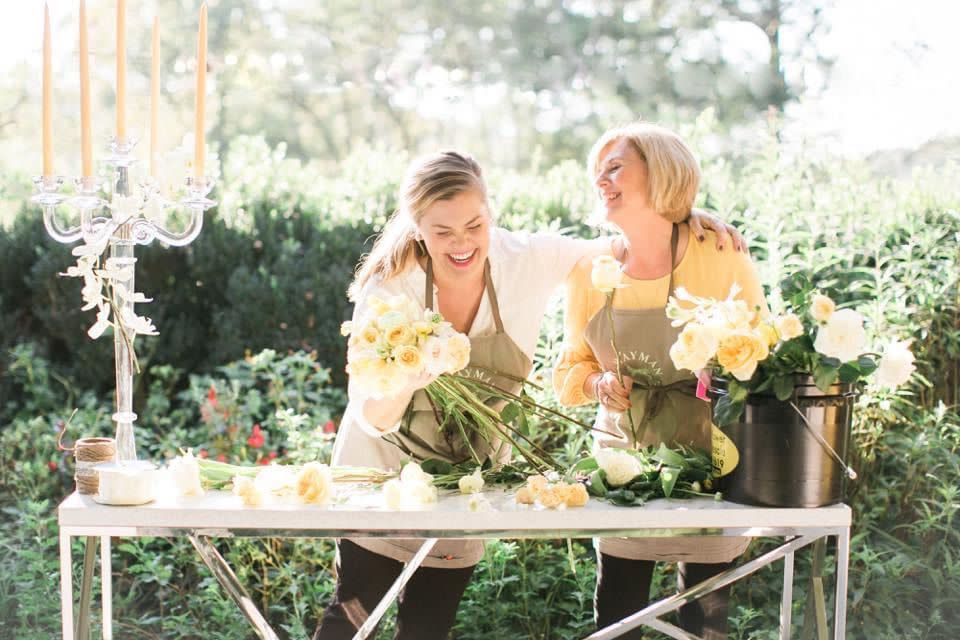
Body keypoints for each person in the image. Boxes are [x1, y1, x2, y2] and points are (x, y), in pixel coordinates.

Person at [314, 150, 745, 640]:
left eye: (475, 225)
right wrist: (417, 370)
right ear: (416, 227)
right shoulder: (389, 287)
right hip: (380, 478)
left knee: (427, 630)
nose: (462, 244)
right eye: (443, 232)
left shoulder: (523, 260)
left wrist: (686, 223)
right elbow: (371, 414)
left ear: (490, 213)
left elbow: (620, 246)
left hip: (461, 485)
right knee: (350, 618)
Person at [553, 123, 767, 640]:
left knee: (705, 626)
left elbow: (763, 356)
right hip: (623, 470)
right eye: (596, 172)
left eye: (614, 168)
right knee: (616, 623)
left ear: (662, 172)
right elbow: (566, 373)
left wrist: (723, 372)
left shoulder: (719, 254)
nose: (600, 181)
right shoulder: (589, 268)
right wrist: (599, 384)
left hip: (710, 471)